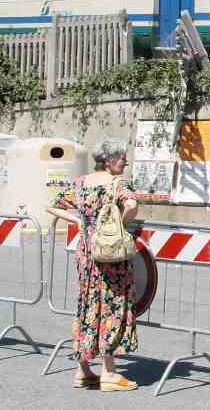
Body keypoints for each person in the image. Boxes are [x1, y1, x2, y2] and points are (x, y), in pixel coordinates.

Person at [44, 139, 140, 392]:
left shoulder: (81, 183)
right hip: (111, 257)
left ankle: (83, 370)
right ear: (109, 161)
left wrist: (79, 221)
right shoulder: (118, 183)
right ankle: (109, 373)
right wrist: (119, 223)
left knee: (88, 307)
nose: (126, 161)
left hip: (87, 255)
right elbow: (132, 205)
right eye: (122, 157)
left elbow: (51, 206)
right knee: (112, 309)